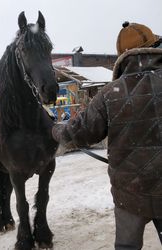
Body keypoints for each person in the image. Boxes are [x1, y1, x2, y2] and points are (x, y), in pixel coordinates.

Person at [52, 21, 162, 249]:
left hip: (130, 195)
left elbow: (80, 133)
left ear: (122, 55)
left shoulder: (110, 94)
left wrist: (56, 131)